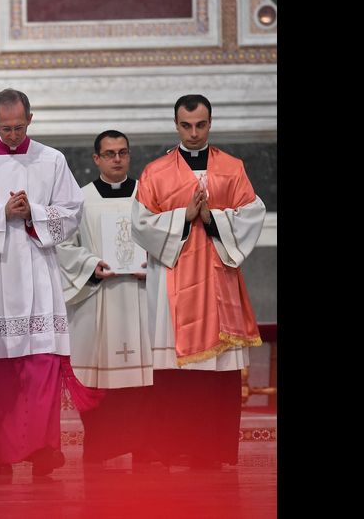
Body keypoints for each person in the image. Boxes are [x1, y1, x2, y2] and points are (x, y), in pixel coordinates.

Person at [0, 88, 87, 482]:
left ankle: (43, 450)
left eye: (20, 127)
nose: (13, 135)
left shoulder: (52, 159)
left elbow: (72, 212)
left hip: (36, 275)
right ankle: (0, 458)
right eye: (6, 128)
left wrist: (34, 215)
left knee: (41, 368)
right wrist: (0, 212)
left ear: (31, 119)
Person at [130, 94, 265, 469]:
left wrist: (212, 219)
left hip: (219, 288)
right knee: (177, 377)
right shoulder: (156, 172)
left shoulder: (232, 168)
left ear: (210, 123)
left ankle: (213, 452)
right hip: (173, 287)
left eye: (201, 125)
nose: (193, 133)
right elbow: (140, 224)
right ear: (176, 125)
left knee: (216, 377)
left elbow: (253, 213)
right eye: (186, 126)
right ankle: (174, 447)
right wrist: (183, 217)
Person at [56, 130, 154, 466]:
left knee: (145, 386)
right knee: (103, 386)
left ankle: (145, 450)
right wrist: (90, 265)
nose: (117, 159)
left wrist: (151, 267)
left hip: (142, 299)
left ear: (129, 155)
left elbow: (168, 240)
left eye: (122, 153)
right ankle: (99, 449)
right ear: (96, 158)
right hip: (100, 300)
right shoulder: (80, 200)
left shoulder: (148, 196)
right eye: (109, 153)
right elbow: (64, 248)